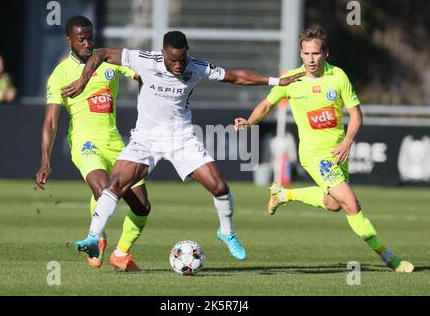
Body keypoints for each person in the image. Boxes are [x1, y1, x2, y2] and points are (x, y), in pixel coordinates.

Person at [61, 30, 305, 261]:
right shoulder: (144, 60)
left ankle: (226, 232)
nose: (178, 65)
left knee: (219, 187)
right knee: (116, 184)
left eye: (182, 59)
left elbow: (235, 77)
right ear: (163, 54)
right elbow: (101, 53)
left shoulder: (197, 67)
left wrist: (277, 81)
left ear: (187, 52)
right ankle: (93, 237)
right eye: (173, 60)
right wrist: (83, 81)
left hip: (181, 138)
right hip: (146, 138)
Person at [234, 26, 413, 273]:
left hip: (338, 152)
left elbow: (356, 114)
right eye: (306, 53)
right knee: (351, 204)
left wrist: (348, 140)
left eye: (315, 53)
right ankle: (389, 257)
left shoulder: (338, 77)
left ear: (325, 53)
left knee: (333, 203)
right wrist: (249, 121)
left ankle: (284, 195)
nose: (310, 59)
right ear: (301, 54)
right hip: (313, 155)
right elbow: (267, 105)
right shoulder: (291, 79)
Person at [36, 16, 151, 272]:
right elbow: (51, 122)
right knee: (103, 192)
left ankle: (121, 253)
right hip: (84, 142)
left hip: (116, 142)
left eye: (90, 38)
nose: (87, 44)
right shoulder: (60, 74)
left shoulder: (108, 60)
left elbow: (142, 74)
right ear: (69, 41)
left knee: (142, 206)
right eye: (81, 40)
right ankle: (97, 239)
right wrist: (45, 160)